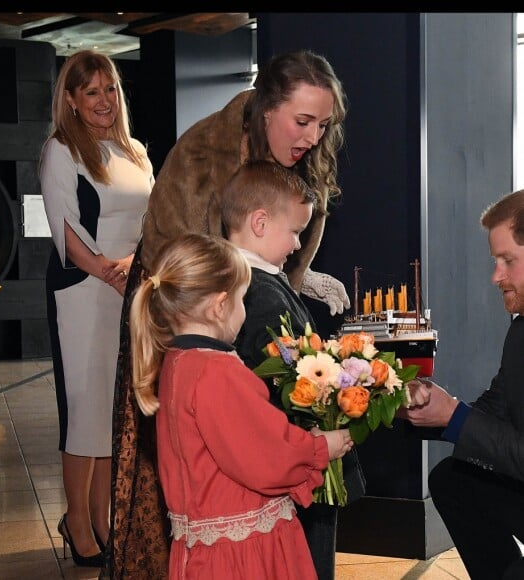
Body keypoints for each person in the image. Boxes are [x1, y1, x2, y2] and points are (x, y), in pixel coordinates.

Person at [108, 49, 353, 578]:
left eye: (323, 124)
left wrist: (289, 276)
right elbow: (181, 265)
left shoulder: (300, 156)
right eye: (303, 121)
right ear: (267, 110)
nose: (313, 136)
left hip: (240, 313)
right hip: (194, 323)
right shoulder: (202, 155)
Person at [128, 232, 354, 579]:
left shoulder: (177, 362)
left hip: (204, 547)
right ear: (220, 306)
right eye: (241, 300)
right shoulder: (218, 372)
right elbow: (265, 455)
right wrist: (320, 447)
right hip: (243, 553)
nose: (244, 310)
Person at [222, 160, 365, 580]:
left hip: (298, 456)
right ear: (260, 223)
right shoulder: (257, 290)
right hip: (299, 460)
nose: (298, 243)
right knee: (308, 562)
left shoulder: (257, 277)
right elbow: (277, 382)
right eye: (295, 232)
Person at [39, 49, 154, 568]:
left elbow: (153, 221)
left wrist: (132, 268)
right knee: (83, 410)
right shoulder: (62, 151)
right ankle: (76, 521)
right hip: (83, 293)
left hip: (130, 290)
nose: (104, 101)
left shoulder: (136, 152)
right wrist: (107, 269)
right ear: (71, 100)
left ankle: (105, 518)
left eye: (110, 89)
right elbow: (64, 227)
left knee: (113, 408)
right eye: (92, 92)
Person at [401, 189, 524, 580]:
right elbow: (497, 406)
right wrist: (427, 408)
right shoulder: (520, 330)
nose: (496, 276)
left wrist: (455, 416)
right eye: (495, 261)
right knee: (452, 480)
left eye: (508, 261)